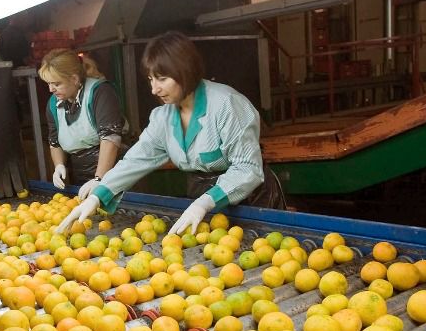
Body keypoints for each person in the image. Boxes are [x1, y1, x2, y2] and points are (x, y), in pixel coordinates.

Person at [57, 31, 284, 235]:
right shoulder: (163, 117)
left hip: (252, 203)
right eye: (150, 79)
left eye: (162, 79)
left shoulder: (227, 105)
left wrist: (205, 203)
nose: (154, 89)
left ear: (184, 72)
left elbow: (247, 169)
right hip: (204, 205)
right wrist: (100, 193)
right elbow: (136, 159)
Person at [38, 48, 128, 199]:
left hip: (115, 173)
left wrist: (100, 179)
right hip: (80, 174)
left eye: (57, 84)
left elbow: (110, 138)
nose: (51, 89)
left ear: (74, 79)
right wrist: (59, 165)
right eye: (48, 84)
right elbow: (54, 142)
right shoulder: (54, 104)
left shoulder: (100, 92)